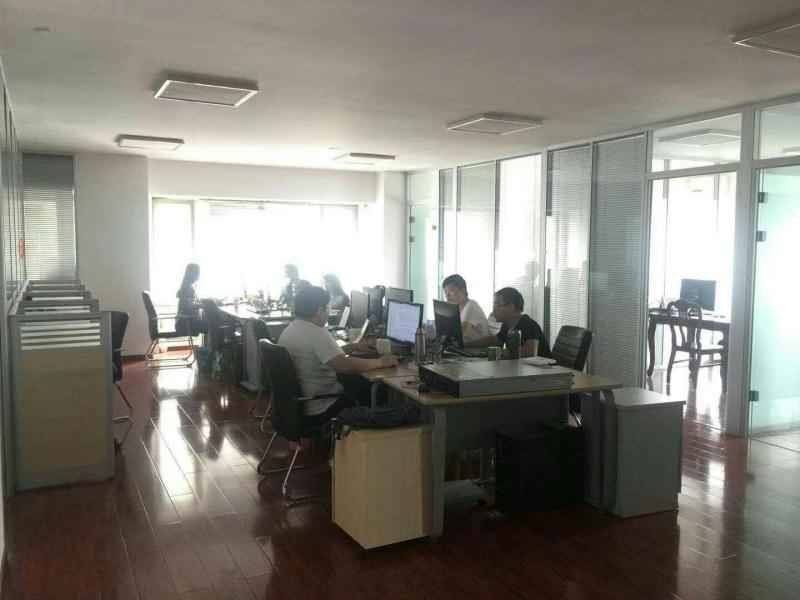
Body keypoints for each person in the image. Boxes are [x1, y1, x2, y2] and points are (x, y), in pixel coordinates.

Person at [278, 286, 398, 426]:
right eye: (328, 308)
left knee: (356, 382)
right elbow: (345, 366)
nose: (328, 312)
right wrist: (381, 362)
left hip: (301, 404)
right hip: (323, 406)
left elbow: (322, 354)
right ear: (319, 310)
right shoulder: (316, 333)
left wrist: (352, 347)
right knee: (376, 390)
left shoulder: (292, 329)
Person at [469, 287, 550, 358]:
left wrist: (500, 352)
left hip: (545, 369)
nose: (494, 309)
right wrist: (466, 344)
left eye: (497, 304)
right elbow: (494, 341)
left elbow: (530, 352)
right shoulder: (507, 325)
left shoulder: (529, 324)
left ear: (511, 307)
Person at [441, 274, 489, 343]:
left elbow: (459, 333)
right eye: (446, 292)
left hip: (477, 349)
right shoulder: (458, 310)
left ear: (463, 290)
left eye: (451, 291)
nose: (447, 296)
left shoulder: (471, 305)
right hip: (466, 348)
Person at [175, 263, 207, 336]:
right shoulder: (187, 288)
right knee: (213, 324)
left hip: (184, 321)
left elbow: (190, 303)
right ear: (192, 274)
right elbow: (190, 306)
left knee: (211, 322)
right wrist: (204, 305)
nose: (199, 275)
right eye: (197, 273)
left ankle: (212, 343)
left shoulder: (186, 286)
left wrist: (202, 303)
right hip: (185, 323)